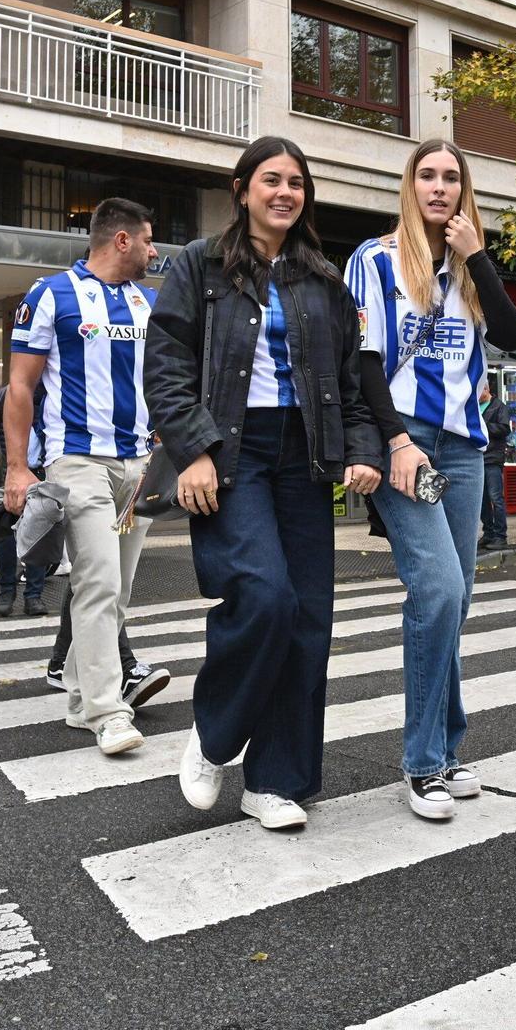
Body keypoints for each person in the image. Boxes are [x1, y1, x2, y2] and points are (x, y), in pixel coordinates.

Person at [147, 136, 382, 830]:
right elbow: (165, 364)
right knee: (266, 596)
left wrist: (362, 448)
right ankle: (217, 733)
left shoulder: (324, 278)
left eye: (297, 183)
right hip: (231, 450)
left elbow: (351, 378)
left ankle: (274, 781)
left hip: (304, 457)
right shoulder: (200, 265)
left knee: (308, 621)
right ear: (243, 188)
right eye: (272, 180)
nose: (285, 192)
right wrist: (193, 450)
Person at [347, 138, 516, 820]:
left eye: (453, 176)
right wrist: (394, 440)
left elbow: (508, 334)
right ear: (410, 184)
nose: (440, 186)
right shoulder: (376, 257)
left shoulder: (467, 262)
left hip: (465, 446)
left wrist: (478, 252)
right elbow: (364, 359)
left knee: (458, 601)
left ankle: (447, 749)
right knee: (438, 588)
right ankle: (422, 763)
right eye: (428, 175)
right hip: (409, 443)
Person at [4, 198, 161, 753]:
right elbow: (21, 386)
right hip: (77, 461)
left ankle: (77, 695)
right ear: (121, 240)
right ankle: (107, 710)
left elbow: (162, 381)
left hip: (137, 464)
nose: (153, 250)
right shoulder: (51, 294)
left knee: (116, 591)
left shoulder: (147, 302)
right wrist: (18, 467)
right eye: (146, 240)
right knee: (98, 580)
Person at [0, 383, 53, 617]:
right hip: (9, 475)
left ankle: (34, 596)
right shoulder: (2, 397)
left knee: (39, 536)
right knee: (6, 537)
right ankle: (6, 592)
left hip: (41, 473)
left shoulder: (50, 395)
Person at [478, 380, 510, 552]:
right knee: (482, 500)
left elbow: (504, 429)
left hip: (493, 458)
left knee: (495, 497)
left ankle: (500, 536)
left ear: (486, 389)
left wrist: (484, 425)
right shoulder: (475, 406)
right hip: (478, 458)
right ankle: (489, 532)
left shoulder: (499, 406)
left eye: (479, 391)